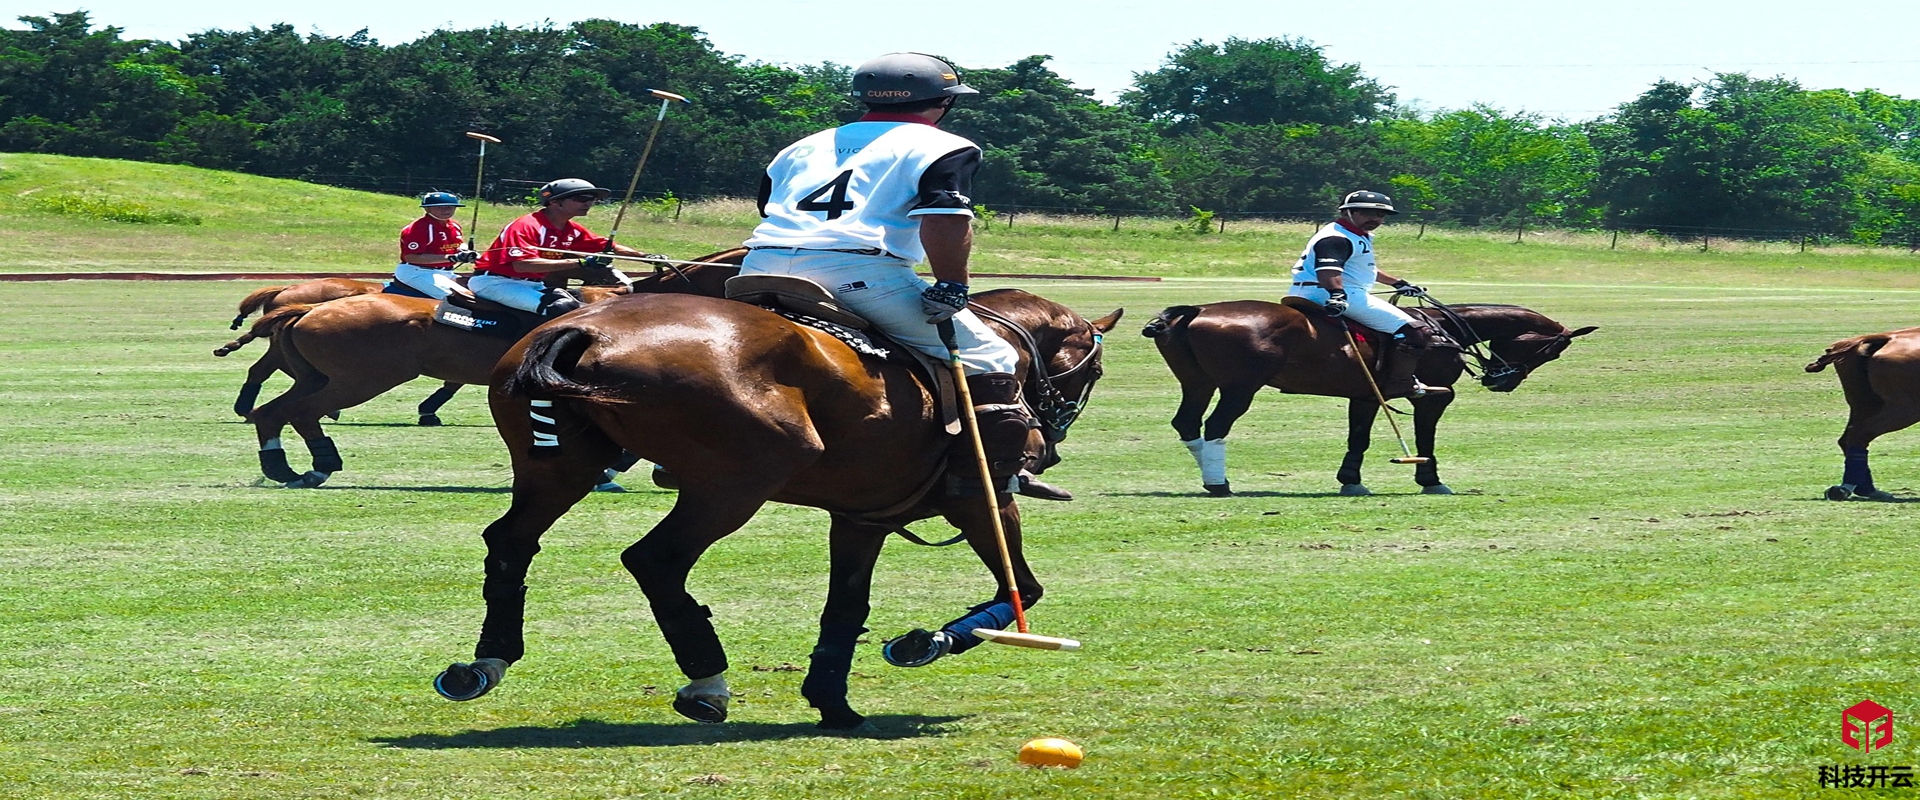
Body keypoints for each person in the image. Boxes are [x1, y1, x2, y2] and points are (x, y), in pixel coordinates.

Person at [739, 51, 1069, 502]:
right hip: (859, 273)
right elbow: (946, 219)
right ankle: (982, 479)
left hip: (758, 266)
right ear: (943, 102)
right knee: (992, 355)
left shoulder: (801, 145)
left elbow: (769, 208)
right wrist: (952, 286)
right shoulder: (945, 145)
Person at [1287, 190, 1449, 399]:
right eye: (1367, 213)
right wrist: (1337, 293)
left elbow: (1365, 269)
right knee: (1416, 331)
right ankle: (1400, 384)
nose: (1375, 219)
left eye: (1380, 216)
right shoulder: (1336, 237)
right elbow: (1328, 270)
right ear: (1348, 212)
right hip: (1334, 292)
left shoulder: (1354, 235)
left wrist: (1399, 283)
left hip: (1316, 290)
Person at [469, 178, 648, 316]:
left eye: (592, 200)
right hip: (496, 282)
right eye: (581, 198)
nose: (588, 203)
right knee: (559, 308)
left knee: (583, 308)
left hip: (532, 284)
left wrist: (646, 256)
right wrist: (581, 263)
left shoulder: (570, 229)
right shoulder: (527, 225)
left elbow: (610, 246)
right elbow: (522, 264)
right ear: (554, 201)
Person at [393, 191, 476, 299]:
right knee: (460, 297)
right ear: (427, 209)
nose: (446, 210)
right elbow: (411, 257)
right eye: (439, 207)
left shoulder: (455, 226)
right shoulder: (418, 228)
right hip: (417, 272)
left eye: (450, 207)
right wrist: (451, 257)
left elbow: (457, 246)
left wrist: (467, 254)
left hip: (446, 272)